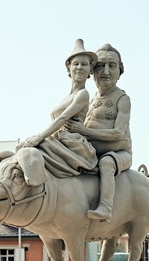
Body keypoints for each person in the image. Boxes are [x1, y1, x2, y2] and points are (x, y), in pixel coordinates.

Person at [65, 44, 132, 222]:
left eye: (112, 65)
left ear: (120, 70)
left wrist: (82, 131)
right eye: (100, 66)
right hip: (91, 153)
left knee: (106, 164)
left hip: (119, 154)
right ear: (92, 72)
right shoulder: (90, 98)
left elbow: (118, 133)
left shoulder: (122, 99)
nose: (106, 71)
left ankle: (105, 208)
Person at [17, 39, 98, 177]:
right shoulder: (67, 97)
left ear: (90, 70)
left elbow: (63, 117)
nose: (79, 67)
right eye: (76, 64)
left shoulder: (83, 94)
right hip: (58, 139)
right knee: (21, 147)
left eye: (84, 64)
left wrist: (39, 137)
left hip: (70, 142)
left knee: (29, 151)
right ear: (69, 68)